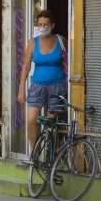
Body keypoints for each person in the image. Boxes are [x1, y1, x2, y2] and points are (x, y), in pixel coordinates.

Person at [17, 10, 67, 151]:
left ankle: (50, 153)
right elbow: (25, 66)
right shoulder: (33, 43)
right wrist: (21, 89)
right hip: (37, 86)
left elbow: (68, 62)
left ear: (52, 25)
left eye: (45, 24)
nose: (43, 27)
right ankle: (34, 152)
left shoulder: (60, 40)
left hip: (57, 86)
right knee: (32, 119)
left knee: (50, 123)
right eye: (40, 24)